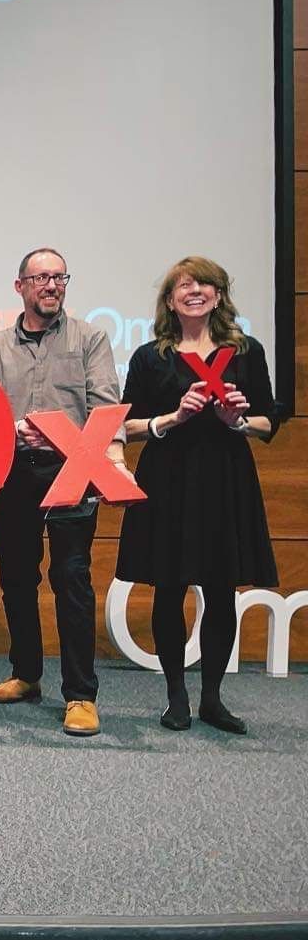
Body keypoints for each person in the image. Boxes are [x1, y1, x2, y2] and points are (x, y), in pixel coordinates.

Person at [117, 256, 278, 735]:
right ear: (170, 300)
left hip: (225, 479)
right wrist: (173, 418)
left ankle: (212, 698)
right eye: (184, 285)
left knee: (221, 590)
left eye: (204, 284)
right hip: (168, 478)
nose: (195, 291)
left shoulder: (246, 351)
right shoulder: (151, 357)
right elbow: (127, 423)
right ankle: (176, 698)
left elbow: (269, 420)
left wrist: (239, 422)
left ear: (219, 295)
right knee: (168, 588)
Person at [0, 248, 125, 737]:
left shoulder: (91, 338)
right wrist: (17, 429)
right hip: (14, 472)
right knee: (17, 578)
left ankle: (80, 695)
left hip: (74, 472)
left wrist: (97, 452)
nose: (52, 285)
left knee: (72, 580)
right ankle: (26, 674)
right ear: (20, 286)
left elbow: (105, 406)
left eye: (59, 277)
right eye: (41, 277)